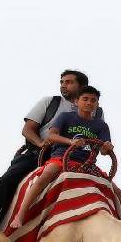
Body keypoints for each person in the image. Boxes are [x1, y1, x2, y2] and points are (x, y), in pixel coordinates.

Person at [0, 70, 103, 242]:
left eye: (69, 82)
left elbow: (97, 138)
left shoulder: (97, 112)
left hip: (78, 158)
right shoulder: (51, 102)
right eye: (62, 81)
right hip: (39, 152)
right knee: (5, 182)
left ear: (82, 87)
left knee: (105, 188)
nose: (63, 85)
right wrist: (40, 144)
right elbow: (28, 129)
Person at [10, 86, 113, 228]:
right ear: (76, 101)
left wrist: (107, 148)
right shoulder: (65, 116)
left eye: (93, 100)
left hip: (87, 165)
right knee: (46, 175)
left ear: (97, 104)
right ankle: (20, 216)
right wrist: (71, 142)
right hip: (61, 158)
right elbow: (51, 136)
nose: (89, 103)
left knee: (119, 194)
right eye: (85, 99)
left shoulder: (101, 125)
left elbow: (103, 149)